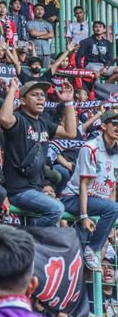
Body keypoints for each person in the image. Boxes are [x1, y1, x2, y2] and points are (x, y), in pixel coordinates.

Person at [0, 79, 77, 227]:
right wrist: (12, 90)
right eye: (35, 95)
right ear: (22, 100)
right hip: (18, 190)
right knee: (56, 208)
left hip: (36, 189)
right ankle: (30, 237)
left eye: (42, 95)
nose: (41, 97)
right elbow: (4, 118)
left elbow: (71, 132)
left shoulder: (43, 123)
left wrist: (68, 102)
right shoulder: (19, 120)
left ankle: (27, 241)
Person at [61, 110, 118, 272]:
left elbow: (112, 187)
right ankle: (92, 250)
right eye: (114, 123)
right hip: (74, 199)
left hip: (96, 204)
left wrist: (110, 223)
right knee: (114, 208)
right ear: (103, 126)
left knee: (80, 262)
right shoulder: (90, 147)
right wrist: (84, 216)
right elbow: (83, 184)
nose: (117, 127)